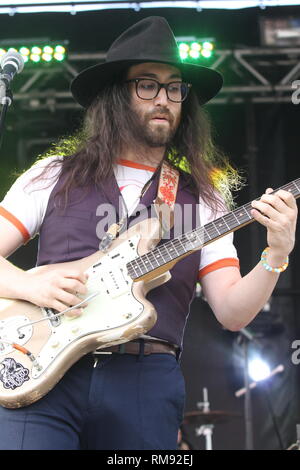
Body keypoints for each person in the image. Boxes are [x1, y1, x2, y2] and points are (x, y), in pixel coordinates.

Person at [0, 16, 297, 450]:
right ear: (115, 95)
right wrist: (28, 282)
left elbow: (233, 312)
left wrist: (276, 253)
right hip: (43, 371)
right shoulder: (53, 175)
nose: (164, 99)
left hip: (143, 380)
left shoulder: (203, 197)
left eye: (175, 88)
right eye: (148, 85)